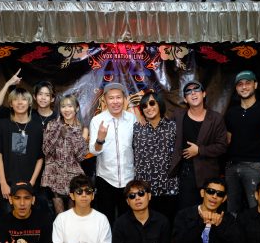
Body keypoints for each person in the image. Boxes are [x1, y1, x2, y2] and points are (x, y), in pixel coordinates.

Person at [225, 70, 260, 215]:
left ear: (255, 85)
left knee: (257, 209)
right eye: (240, 84)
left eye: (248, 83)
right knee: (231, 210)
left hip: (254, 167)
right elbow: (228, 140)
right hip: (232, 166)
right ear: (236, 88)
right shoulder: (231, 112)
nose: (244, 87)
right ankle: (233, 230)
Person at [168, 81, 227, 210]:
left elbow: (222, 146)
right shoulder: (178, 115)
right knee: (186, 212)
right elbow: (162, 128)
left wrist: (199, 150)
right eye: (188, 92)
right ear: (185, 99)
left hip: (208, 174)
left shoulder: (216, 118)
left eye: (196, 89)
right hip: (185, 174)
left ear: (204, 94)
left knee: (208, 212)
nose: (193, 93)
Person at [89, 82, 136, 224]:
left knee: (127, 220)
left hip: (129, 178)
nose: (115, 101)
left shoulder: (132, 119)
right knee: (106, 220)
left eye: (118, 97)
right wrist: (100, 139)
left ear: (124, 99)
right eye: (111, 98)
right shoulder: (97, 121)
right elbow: (93, 151)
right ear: (105, 100)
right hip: (106, 178)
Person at [0, 87, 44, 219]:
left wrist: (31, 183)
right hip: (7, 186)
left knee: (30, 225)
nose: (20, 102)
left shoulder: (38, 127)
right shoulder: (1, 125)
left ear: (30, 103)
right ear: (10, 104)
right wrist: (3, 183)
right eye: (16, 99)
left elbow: (40, 157)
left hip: (30, 186)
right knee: (6, 223)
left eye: (24, 99)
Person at [133, 92, 179, 224]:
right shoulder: (136, 128)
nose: (149, 108)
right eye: (144, 106)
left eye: (152, 103)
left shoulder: (173, 127)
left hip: (168, 187)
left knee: (167, 225)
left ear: (160, 104)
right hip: (144, 191)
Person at [41, 94, 89, 214]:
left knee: (72, 215)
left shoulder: (82, 128)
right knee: (60, 216)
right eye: (63, 106)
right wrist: (58, 132)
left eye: (70, 106)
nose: (66, 110)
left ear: (76, 108)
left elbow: (80, 156)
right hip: (55, 176)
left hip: (73, 178)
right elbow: (46, 150)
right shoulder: (52, 124)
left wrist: (71, 134)